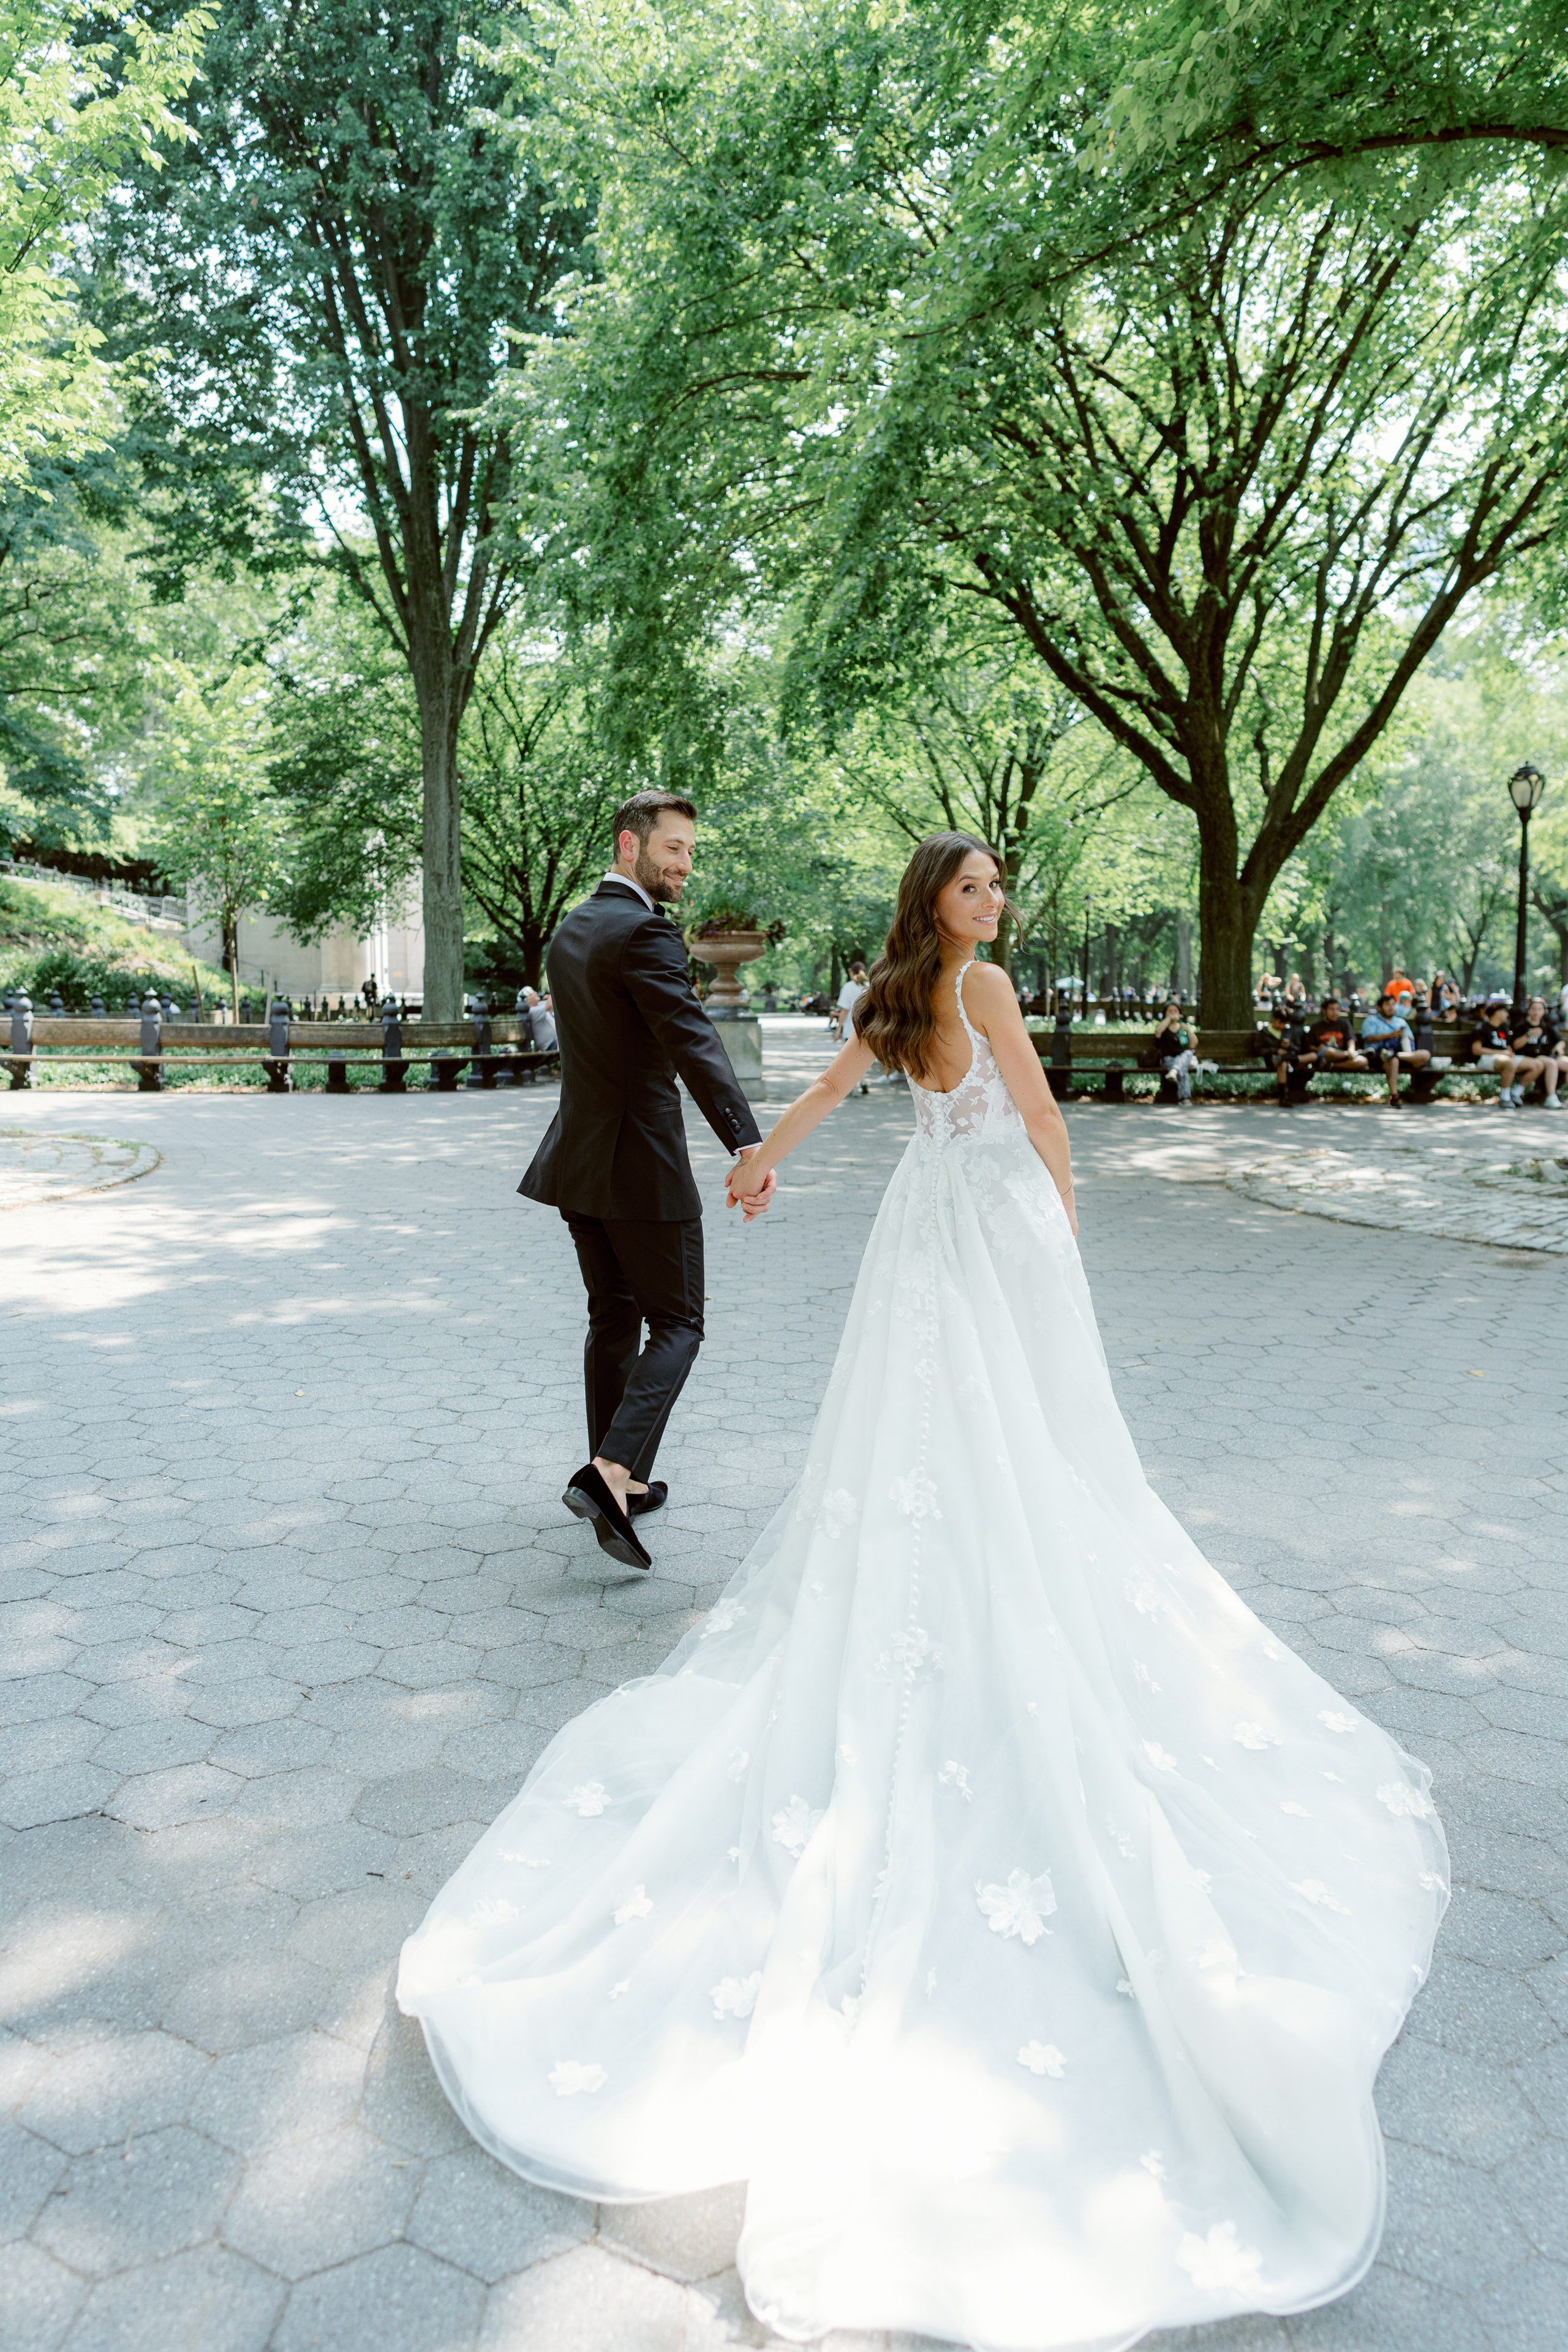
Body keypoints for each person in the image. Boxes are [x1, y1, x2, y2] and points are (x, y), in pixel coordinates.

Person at [401, 831, 1446, 2352]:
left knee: (956, 1434)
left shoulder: (894, 991)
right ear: (934, 905)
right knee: (985, 1432)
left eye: (997, 891)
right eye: (974, 890)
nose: (993, 907)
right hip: (987, 1234)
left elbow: (838, 1096)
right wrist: (1062, 1222)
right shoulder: (969, 988)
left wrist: (765, 1157)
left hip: (926, 1238)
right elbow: (1029, 1115)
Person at [515, 791, 771, 1571]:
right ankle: (610, 1473)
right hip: (641, 1169)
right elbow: (694, 1043)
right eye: (673, 849)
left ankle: (616, 1482)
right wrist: (747, 1145)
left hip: (578, 1163)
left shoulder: (573, 928)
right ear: (630, 845)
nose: (685, 864)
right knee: (680, 1326)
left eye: (691, 851)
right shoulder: (644, 934)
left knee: (613, 1320)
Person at [1359, 990, 1430, 1104]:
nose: (1391, 1007)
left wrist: (1402, 1038)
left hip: (1403, 1055)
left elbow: (1410, 1041)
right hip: (1380, 1056)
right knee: (1393, 1060)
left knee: (1425, 1055)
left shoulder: (1400, 1022)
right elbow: (1369, 1038)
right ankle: (1395, 1096)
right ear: (1380, 1007)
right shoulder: (1371, 1020)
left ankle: (1396, 1055)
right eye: (1387, 1005)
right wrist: (1390, 1036)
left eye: (1393, 1004)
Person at [1469, 997, 1523, 1106]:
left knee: (1536, 1065)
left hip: (1503, 1058)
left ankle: (1516, 1094)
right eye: (1505, 1012)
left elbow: (1507, 1046)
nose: (1508, 1015)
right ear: (1498, 1013)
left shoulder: (1504, 1029)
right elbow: (1476, 1050)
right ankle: (1505, 1097)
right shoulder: (1482, 1028)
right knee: (1509, 1063)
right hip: (1485, 1059)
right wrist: (1501, 1053)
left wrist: (1508, 1050)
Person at [1509, 998, 1561, 1107]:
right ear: (1529, 1010)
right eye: (1534, 1009)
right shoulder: (1522, 1026)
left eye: (1539, 1009)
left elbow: (1560, 1041)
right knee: (1551, 1063)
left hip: (1547, 1056)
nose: (1536, 1012)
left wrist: (1558, 1048)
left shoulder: (1547, 1026)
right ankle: (1551, 1097)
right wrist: (1529, 1036)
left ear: (1543, 1011)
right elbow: (1515, 1046)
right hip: (1531, 1056)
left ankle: (1556, 1093)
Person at [1305, 996, 1369, 1082]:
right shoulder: (1316, 1026)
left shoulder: (1344, 1024)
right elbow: (1309, 1046)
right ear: (1324, 1011)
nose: (1335, 1013)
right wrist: (1317, 1048)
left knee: (1364, 1061)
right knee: (1327, 1051)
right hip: (1325, 1056)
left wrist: (1351, 1050)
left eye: (1337, 1009)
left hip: (1342, 1058)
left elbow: (1351, 1040)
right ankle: (1355, 1054)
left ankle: (1332, 1065)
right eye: (1332, 1010)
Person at [1152, 999, 1199, 1102]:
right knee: (1183, 1067)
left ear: (1180, 1013)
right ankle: (1185, 1098)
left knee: (1188, 1053)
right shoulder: (1163, 1027)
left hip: (1183, 1057)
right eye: (1170, 1011)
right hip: (1168, 1059)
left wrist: (1187, 1029)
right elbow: (1158, 1033)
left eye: (1175, 1011)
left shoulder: (1183, 1027)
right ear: (1165, 1013)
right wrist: (1169, 1019)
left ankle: (1174, 1071)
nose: (1173, 1013)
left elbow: (1194, 1044)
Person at [834, 957, 869, 1042]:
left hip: (851, 1030)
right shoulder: (870, 986)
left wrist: (839, 1029)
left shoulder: (848, 987)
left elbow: (844, 1010)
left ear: (852, 973)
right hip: (868, 1030)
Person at [519, 984, 556, 1050]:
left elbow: (553, 1004)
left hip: (555, 1041)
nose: (536, 993)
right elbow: (550, 1004)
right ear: (528, 1001)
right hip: (550, 1045)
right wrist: (554, 988)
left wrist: (548, 997)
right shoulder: (531, 1011)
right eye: (532, 993)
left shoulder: (537, 1005)